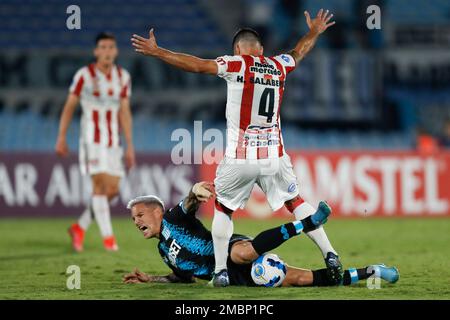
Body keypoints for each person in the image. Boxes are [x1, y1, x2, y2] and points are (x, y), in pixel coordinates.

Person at [131, 9, 341, 286]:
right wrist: (314, 31)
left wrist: (158, 52)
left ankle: (220, 271)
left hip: (241, 158)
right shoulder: (277, 65)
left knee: (223, 209)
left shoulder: (236, 65)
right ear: (261, 50)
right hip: (274, 156)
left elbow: (196, 64)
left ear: (237, 50)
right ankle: (331, 255)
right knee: (296, 202)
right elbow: (299, 51)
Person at [123, 181, 399, 287]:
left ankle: (308, 222)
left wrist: (195, 191)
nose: (137, 222)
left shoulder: (173, 218)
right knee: (302, 279)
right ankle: (373, 272)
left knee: (241, 253)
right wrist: (152, 279)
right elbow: (184, 278)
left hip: (226, 250)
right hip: (233, 279)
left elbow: (190, 202)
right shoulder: (162, 251)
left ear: (157, 212)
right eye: (134, 218)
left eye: (140, 215)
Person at [56, 32, 135, 252]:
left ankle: (79, 227)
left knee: (113, 190)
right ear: (96, 51)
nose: (107, 51)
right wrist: (61, 137)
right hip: (92, 139)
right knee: (100, 186)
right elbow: (70, 106)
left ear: (116, 51)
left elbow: (125, 112)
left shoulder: (123, 77)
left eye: (111, 47)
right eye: (103, 47)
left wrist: (130, 145)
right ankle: (109, 241)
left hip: (113, 141)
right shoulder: (84, 75)